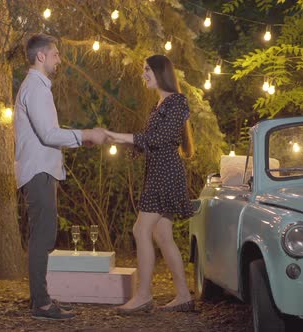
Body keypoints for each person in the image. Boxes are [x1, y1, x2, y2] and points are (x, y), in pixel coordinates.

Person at [14, 33, 107, 321]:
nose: (59, 59)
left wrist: (80, 140)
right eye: (55, 54)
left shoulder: (37, 87)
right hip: (39, 172)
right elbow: (49, 134)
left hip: (42, 171)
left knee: (44, 236)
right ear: (40, 56)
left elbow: (48, 132)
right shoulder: (36, 88)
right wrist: (86, 134)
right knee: (43, 237)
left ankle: (39, 300)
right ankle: (41, 305)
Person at [106, 54, 195, 314]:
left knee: (140, 229)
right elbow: (150, 141)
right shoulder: (158, 105)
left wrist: (122, 136)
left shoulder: (177, 101)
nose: (143, 74)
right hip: (157, 171)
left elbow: (162, 138)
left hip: (165, 174)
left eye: (146, 70)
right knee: (161, 234)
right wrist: (122, 141)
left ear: (160, 72)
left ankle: (143, 295)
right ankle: (183, 296)